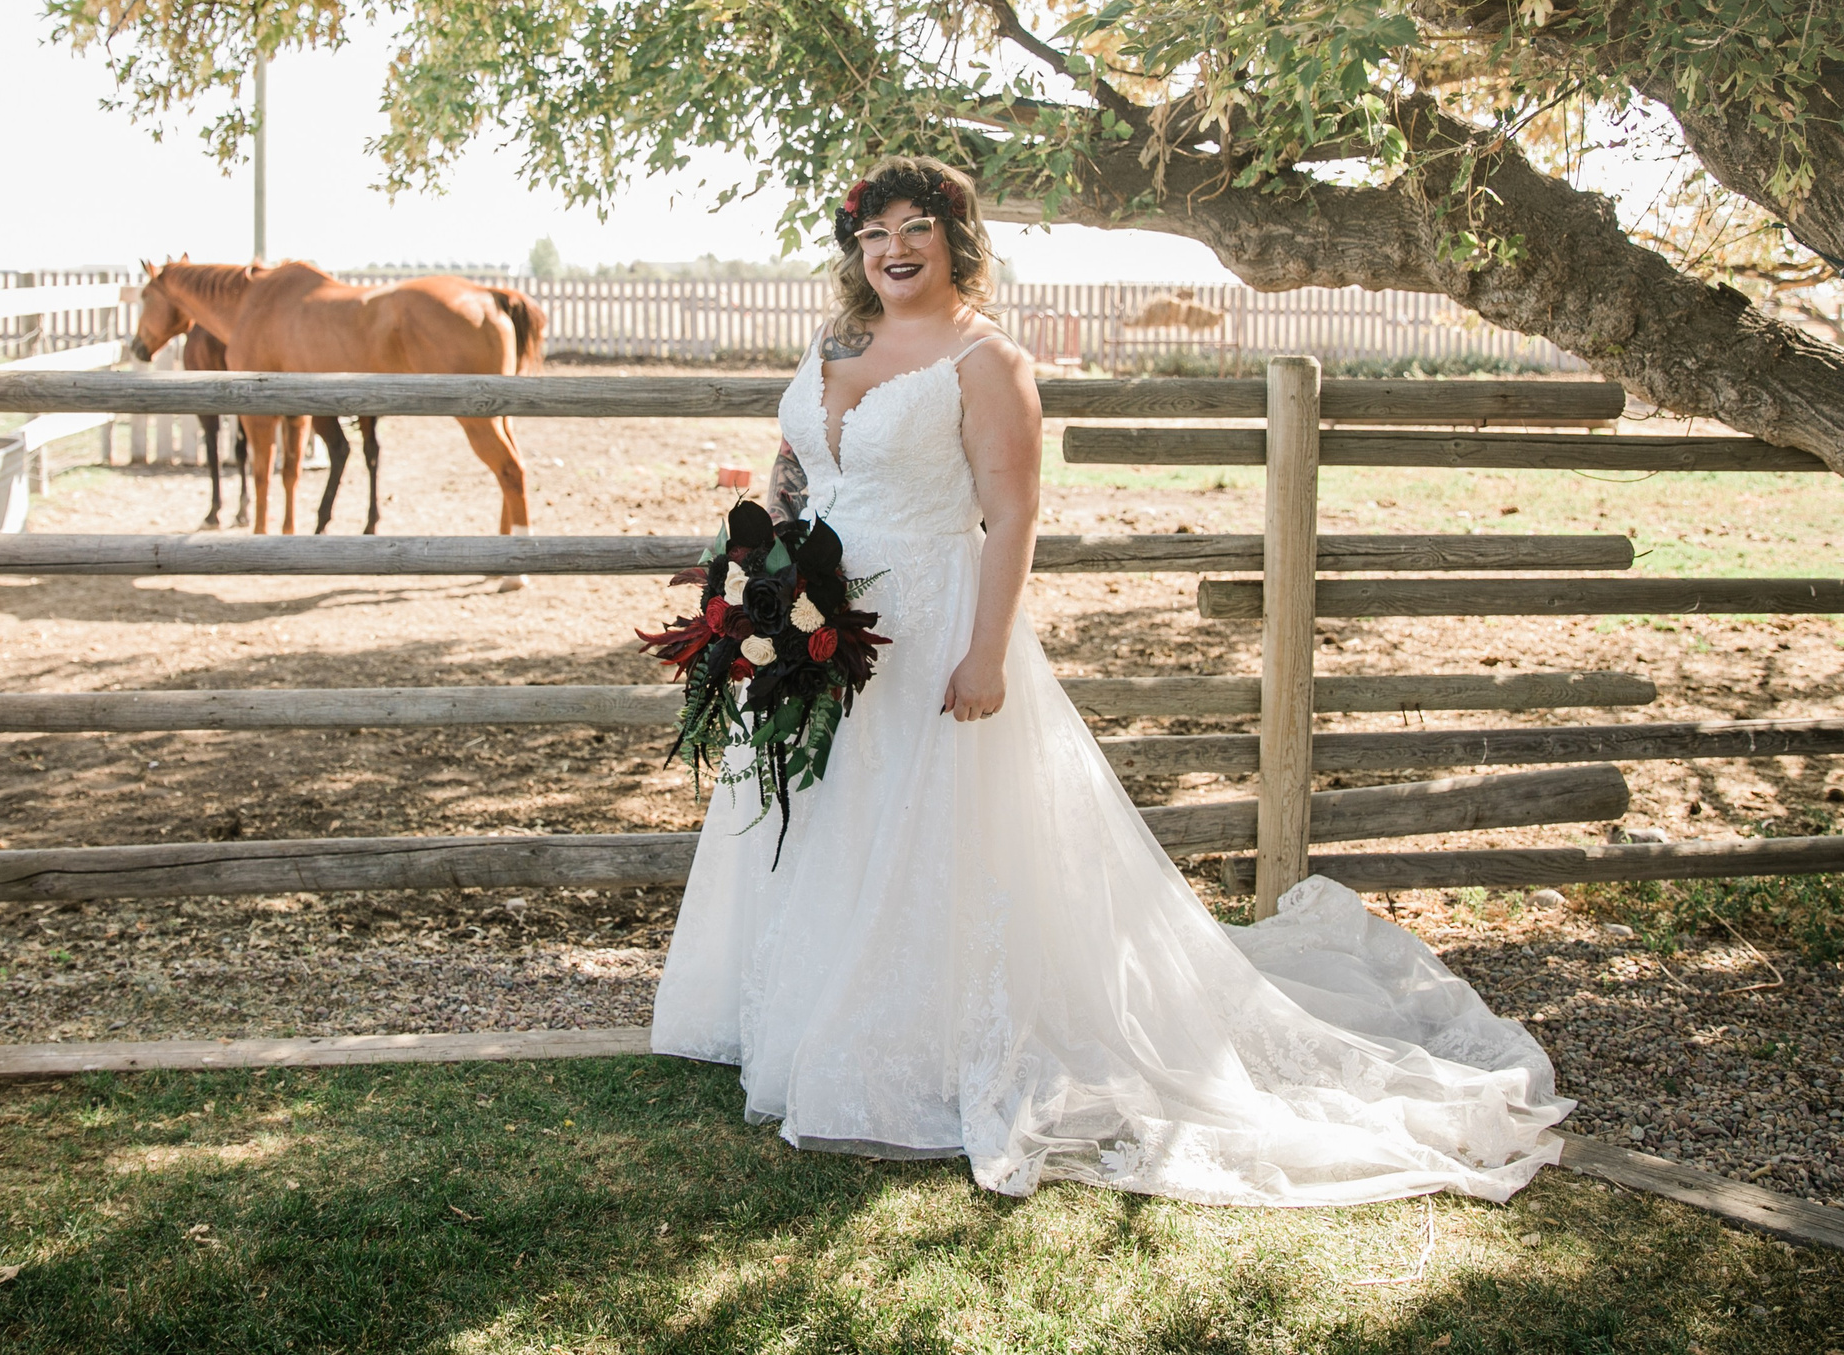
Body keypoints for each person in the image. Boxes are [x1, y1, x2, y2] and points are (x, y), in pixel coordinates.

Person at [649, 154, 1572, 1204]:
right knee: (828, 807)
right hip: (815, 617)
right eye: (873, 234)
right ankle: (804, 1013)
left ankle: (921, 1039)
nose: (892, 251)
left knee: (927, 827)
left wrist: (985, 651)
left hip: (932, 616)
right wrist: (760, 582)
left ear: (955, 239)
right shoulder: (835, 340)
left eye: (914, 229)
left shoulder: (987, 359)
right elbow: (796, 469)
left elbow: (1012, 514)